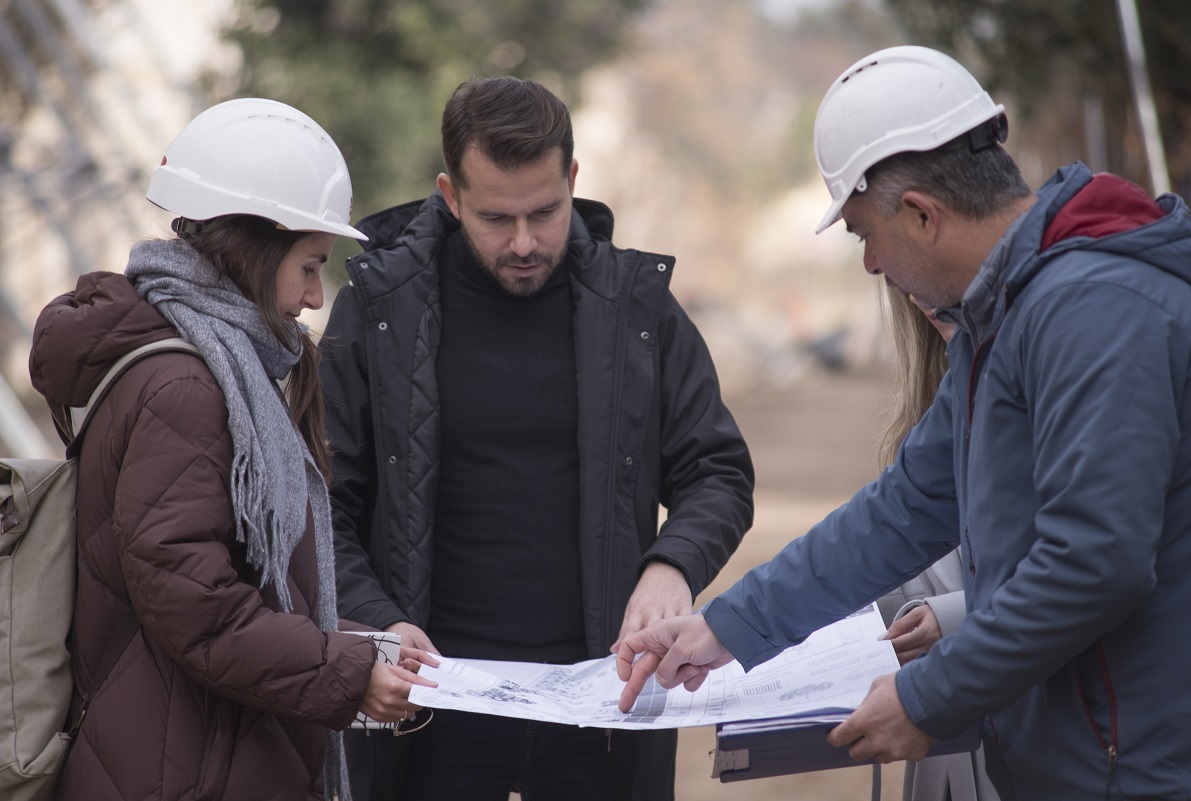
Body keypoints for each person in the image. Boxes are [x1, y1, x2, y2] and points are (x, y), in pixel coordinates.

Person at [616, 44, 1191, 800]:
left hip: (1141, 768)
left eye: (864, 234)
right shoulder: (1013, 309)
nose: (869, 266)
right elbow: (905, 506)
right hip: (1079, 759)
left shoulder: (1093, 311)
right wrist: (724, 628)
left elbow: (1096, 561)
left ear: (922, 214)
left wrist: (930, 696)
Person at [319, 76, 754, 800]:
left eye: (546, 212)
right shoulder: (375, 312)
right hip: (430, 709)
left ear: (573, 180)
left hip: (606, 702)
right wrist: (379, 621)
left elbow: (717, 470)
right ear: (450, 195)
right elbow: (319, 503)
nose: (524, 242)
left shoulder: (637, 309)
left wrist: (672, 565)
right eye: (495, 217)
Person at [28, 98, 436, 801]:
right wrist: (345, 670)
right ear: (253, 246)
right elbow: (200, 608)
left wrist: (369, 645)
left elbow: (250, 584)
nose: (314, 296)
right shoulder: (185, 385)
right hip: (179, 773)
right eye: (309, 266)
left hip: (189, 759)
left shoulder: (212, 364)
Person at [875, 287, 996, 801]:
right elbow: (874, 549)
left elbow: (1093, 567)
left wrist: (952, 619)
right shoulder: (927, 413)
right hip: (943, 756)